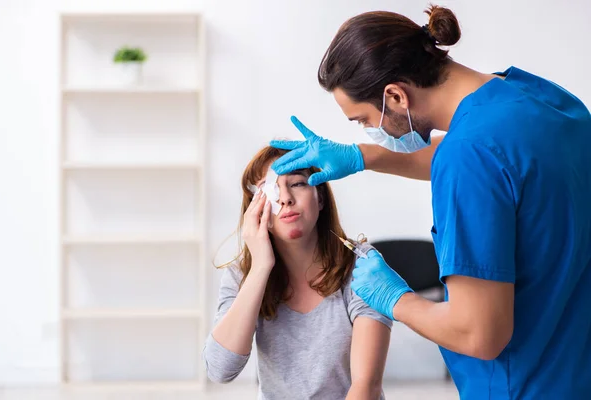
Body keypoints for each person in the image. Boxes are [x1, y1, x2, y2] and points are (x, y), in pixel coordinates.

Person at [270, 5, 591, 400]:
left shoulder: (468, 158)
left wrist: (396, 299)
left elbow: (480, 334)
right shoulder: (537, 98)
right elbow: (493, 158)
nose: (368, 131)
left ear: (395, 96)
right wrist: (361, 156)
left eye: (363, 121)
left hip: (524, 386)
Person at [203, 146, 393, 400]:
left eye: (297, 184)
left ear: (321, 197)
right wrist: (260, 267)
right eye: (270, 189)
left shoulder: (362, 265)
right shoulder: (242, 275)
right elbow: (220, 370)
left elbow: (366, 386)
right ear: (255, 210)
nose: (285, 199)